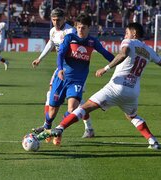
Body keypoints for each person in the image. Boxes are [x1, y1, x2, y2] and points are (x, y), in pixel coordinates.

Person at [47, 22, 161, 150]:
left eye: (127, 32)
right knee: (132, 116)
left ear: (133, 33)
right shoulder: (150, 50)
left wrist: (106, 68)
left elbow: (123, 53)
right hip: (133, 91)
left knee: (85, 107)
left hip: (116, 87)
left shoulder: (129, 42)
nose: (125, 35)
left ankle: (59, 128)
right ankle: (153, 141)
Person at [35, 13, 114, 146]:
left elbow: (106, 54)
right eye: (78, 27)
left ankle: (57, 130)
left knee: (72, 109)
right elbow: (60, 54)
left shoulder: (92, 41)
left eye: (83, 28)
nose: (80, 30)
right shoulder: (69, 38)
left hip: (77, 81)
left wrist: (120, 62)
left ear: (89, 28)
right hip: (62, 78)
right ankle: (47, 127)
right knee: (52, 110)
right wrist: (60, 69)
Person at [32, 8, 95, 140]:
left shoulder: (71, 31)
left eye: (58, 20)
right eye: (53, 20)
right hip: (61, 69)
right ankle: (48, 126)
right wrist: (40, 58)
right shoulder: (53, 31)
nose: (55, 22)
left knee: (75, 104)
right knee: (53, 95)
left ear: (64, 19)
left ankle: (57, 127)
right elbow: (51, 43)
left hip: (73, 71)